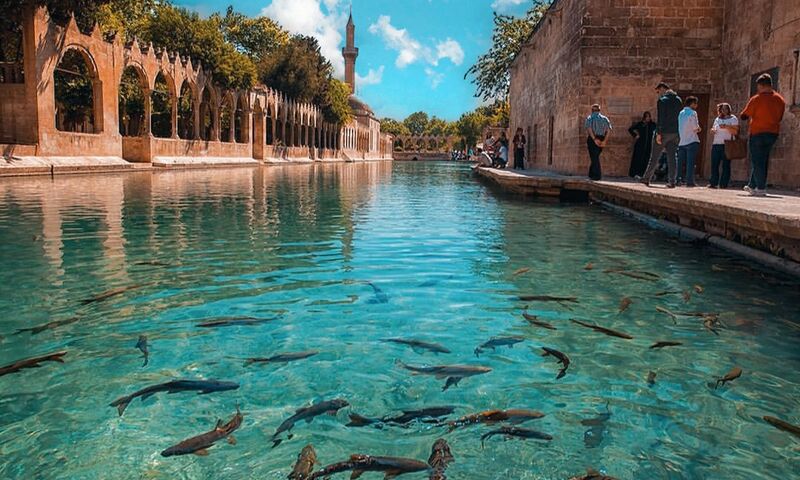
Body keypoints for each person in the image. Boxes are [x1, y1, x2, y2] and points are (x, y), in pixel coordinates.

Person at [740, 73, 786, 196]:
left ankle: (760, 188)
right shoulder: (780, 99)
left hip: (757, 133)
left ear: (761, 85)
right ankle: (752, 185)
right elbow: (780, 117)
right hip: (772, 133)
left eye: (758, 86)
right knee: (763, 159)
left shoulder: (756, 99)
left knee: (757, 161)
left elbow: (744, 115)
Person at [638, 83, 682, 188]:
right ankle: (672, 181)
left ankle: (646, 178)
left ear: (662, 89)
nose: (658, 93)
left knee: (655, 156)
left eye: (658, 91)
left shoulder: (662, 101)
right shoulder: (678, 100)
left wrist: (658, 133)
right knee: (672, 157)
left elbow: (661, 118)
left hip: (664, 132)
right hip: (675, 132)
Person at [709, 103, 739, 189]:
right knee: (714, 164)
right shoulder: (717, 119)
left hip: (727, 144)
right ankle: (713, 182)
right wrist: (712, 130)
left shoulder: (733, 119)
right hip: (716, 143)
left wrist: (726, 126)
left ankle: (723, 183)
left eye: (726, 109)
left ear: (729, 109)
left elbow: (735, 131)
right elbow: (713, 128)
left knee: (726, 165)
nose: (724, 110)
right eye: (722, 109)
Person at [677, 96, 701, 187]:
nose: (696, 105)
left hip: (681, 140)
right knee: (690, 163)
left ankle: (677, 179)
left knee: (680, 162)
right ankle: (689, 181)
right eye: (695, 103)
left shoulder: (681, 113)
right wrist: (699, 129)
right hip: (691, 140)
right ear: (692, 104)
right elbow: (695, 127)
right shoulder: (693, 113)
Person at [585, 104, 612, 180]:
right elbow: (608, 130)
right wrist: (604, 141)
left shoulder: (590, 118)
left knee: (594, 157)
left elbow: (589, 129)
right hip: (602, 138)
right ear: (599, 110)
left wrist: (594, 139)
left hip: (593, 138)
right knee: (595, 157)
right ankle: (591, 174)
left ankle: (597, 176)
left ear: (592, 110)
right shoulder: (605, 118)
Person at [628, 111, 656, 177]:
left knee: (646, 159)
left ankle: (643, 174)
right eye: (646, 117)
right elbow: (630, 129)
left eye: (649, 117)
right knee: (638, 159)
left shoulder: (652, 125)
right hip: (640, 145)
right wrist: (635, 135)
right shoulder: (640, 124)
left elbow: (657, 130)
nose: (648, 118)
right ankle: (635, 173)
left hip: (648, 145)